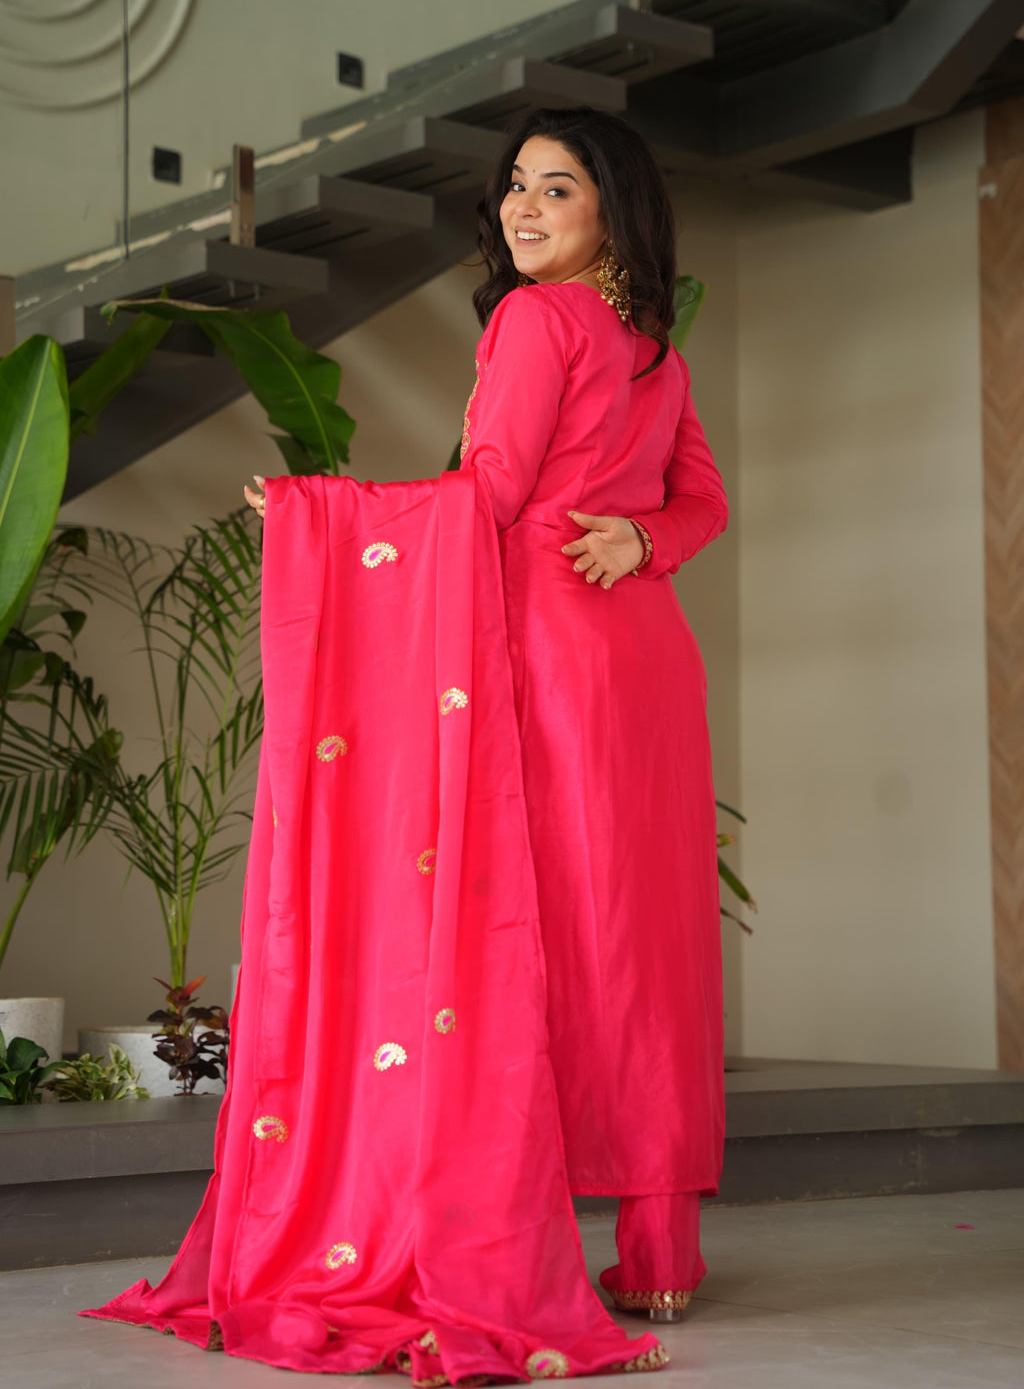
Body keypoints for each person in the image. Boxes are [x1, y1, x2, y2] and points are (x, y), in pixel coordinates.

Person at [80, 105, 728, 1381]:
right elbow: (701, 500)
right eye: (515, 185)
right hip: (644, 664)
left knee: (521, 930)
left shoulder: (536, 321)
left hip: (538, 654)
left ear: (613, 208)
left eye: (557, 187)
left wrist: (321, 513)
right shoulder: (654, 350)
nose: (522, 207)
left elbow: (489, 494)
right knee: (639, 935)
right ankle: (661, 1253)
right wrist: (644, 541)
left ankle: (498, 1239)